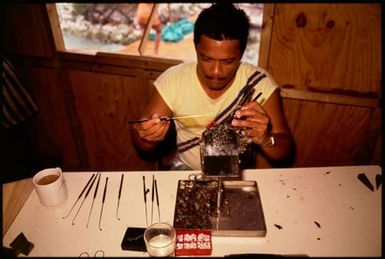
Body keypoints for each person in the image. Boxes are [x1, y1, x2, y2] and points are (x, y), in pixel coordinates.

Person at [131, 3, 294, 170]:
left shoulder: (258, 82)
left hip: (235, 173)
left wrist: (267, 138)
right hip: (186, 171)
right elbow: (142, 143)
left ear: (242, 54)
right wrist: (146, 136)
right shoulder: (173, 80)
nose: (216, 72)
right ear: (196, 48)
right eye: (207, 59)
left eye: (228, 61)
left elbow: (284, 151)